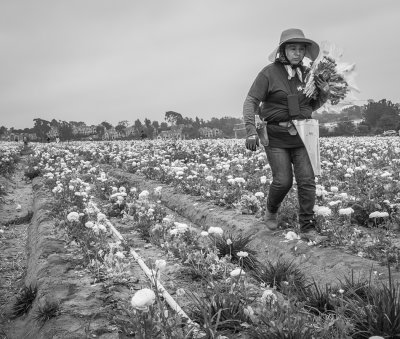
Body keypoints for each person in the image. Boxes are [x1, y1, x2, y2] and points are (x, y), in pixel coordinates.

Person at [243, 28, 330, 243]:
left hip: (303, 135)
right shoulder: (268, 73)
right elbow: (251, 102)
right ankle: (271, 210)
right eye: (293, 48)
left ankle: (307, 228)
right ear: (283, 50)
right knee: (283, 181)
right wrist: (251, 131)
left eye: (301, 49)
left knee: (307, 181)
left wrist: (325, 92)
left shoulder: (309, 75)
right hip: (276, 135)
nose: (298, 53)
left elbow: (311, 105)